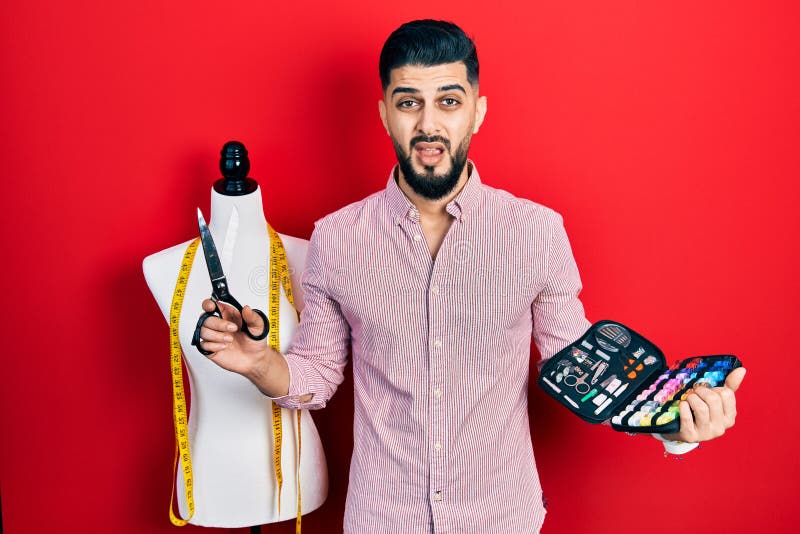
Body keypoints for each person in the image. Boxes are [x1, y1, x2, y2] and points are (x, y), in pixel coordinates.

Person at [195, 19, 746, 533]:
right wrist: (260, 364)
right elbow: (317, 373)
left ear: (477, 112)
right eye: (408, 102)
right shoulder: (336, 239)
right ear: (385, 112)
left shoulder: (537, 234)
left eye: (448, 102)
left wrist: (671, 425)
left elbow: (578, 365)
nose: (428, 124)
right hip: (383, 520)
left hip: (502, 517)